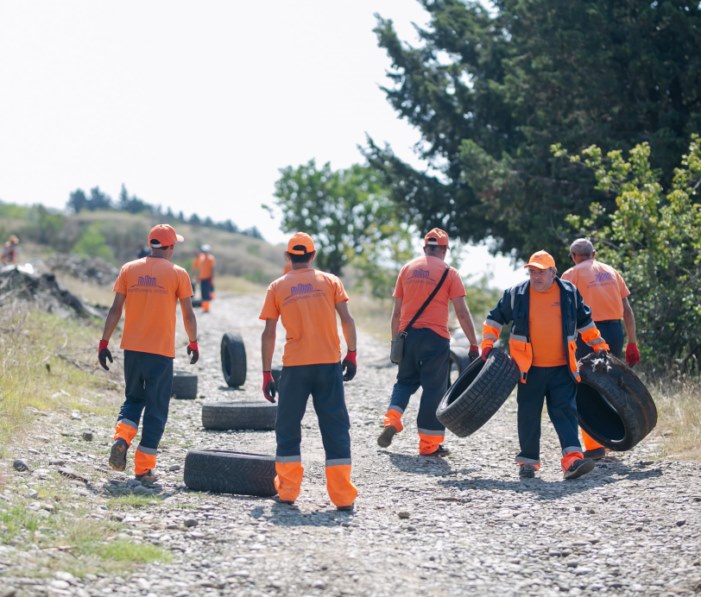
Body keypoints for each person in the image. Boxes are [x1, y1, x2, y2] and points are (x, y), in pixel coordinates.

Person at [481, 250, 610, 480]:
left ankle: (572, 461)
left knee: (566, 413)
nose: (536, 276)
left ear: (553, 272)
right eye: (532, 271)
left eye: (541, 272)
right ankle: (528, 462)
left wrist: (599, 345)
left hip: (562, 368)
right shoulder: (516, 294)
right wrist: (487, 344)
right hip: (528, 369)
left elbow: (585, 322)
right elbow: (495, 318)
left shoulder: (569, 293)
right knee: (528, 415)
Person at [259, 232, 358, 511]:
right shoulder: (331, 281)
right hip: (328, 365)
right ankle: (343, 496)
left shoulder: (277, 287)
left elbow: (269, 334)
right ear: (313, 256)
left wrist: (266, 373)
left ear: (288, 257)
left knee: (288, 427)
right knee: (335, 427)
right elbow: (347, 320)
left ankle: (288, 491)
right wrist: (351, 353)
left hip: (294, 367)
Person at [98, 224, 198, 485]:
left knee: (133, 398)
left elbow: (115, 309)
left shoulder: (129, 269)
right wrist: (193, 342)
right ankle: (143, 468)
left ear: (150, 244)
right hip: (160, 352)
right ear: (171, 247)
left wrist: (104, 342)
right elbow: (188, 315)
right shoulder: (178, 273)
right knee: (156, 408)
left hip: (132, 349)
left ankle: (122, 438)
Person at [377, 228, 480, 457]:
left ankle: (392, 419)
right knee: (434, 389)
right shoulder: (450, 273)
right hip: (436, 339)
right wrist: (473, 344)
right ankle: (428, 445)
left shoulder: (407, 269)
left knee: (404, 382)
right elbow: (462, 313)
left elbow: (396, 313)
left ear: (425, 248)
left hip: (408, 336)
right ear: (444, 250)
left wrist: (395, 342)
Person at [561, 237, 639, 460]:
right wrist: (632, 342)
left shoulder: (570, 275)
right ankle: (615, 434)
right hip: (614, 332)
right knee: (609, 383)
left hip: (588, 334)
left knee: (585, 387)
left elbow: (564, 313)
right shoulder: (612, 272)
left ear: (573, 256)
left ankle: (596, 445)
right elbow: (627, 310)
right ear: (593, 254)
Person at [191, 244, 216, 313]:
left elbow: (212, 269)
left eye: (206, 251)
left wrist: (212, 279)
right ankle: (205, 308)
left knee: (206, 294)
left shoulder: (211, 258)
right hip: (202, 279)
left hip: (207, 279)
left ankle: (206, 309)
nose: (205, 252)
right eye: (204, 251)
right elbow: (199, 270)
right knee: (203, 294)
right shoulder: (201, 258)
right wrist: (197, 278)